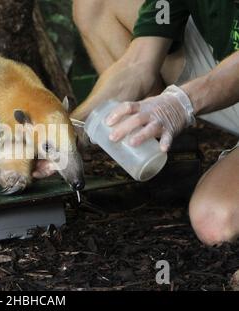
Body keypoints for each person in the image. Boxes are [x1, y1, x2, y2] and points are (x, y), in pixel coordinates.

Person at [71, 0, 239, 246]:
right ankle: (167, 163)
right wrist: (71, 127)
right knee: (94, 4)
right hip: (225, 74)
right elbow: (138, 64)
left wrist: (181, 103)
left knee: (215, 220)